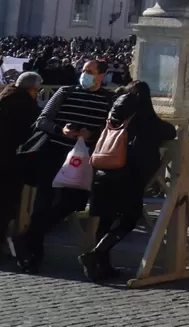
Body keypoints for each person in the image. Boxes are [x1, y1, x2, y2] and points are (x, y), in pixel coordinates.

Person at [13, 59, 116, 273]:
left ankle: (27, 238)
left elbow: (109, 129)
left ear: (101, 76)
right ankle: (33, 255)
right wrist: (62, 130)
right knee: (44, 203)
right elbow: (43, 121)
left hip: (82, 159)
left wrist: (93, 134)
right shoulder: (65, 93)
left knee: (74, 201)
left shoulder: (108, 100)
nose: (84, 74)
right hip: (53, 153)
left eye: (90, 71)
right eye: (83, 70)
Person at [81, 80, 177, 281]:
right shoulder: (143, 115)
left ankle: (102, 266)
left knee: (105, 219)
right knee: (129, 218)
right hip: (128, 174)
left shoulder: (114, 111)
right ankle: (96, 255)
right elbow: (169, 131)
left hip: (104, 169)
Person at [0, 72, 41, 263]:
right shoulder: (27, 106)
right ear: (32, 89)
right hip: (10, 161)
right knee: (5, 204)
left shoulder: (4, 97)